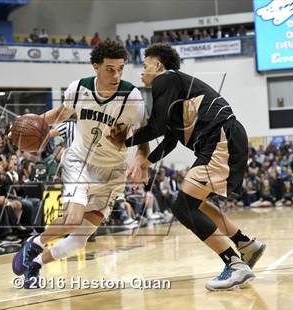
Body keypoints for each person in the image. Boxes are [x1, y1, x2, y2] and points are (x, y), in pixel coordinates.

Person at [114, 43, 266, 291]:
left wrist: (121, 141)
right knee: (197, 205)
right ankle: (245, 244)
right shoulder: (177, 92)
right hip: (223, 138)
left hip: (219, 138)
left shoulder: (165, 80)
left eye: (144, 65)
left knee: (182, 207)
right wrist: (146, 161)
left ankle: (235, 264)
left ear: (158, 66)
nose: (141, 72)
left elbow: (156, 126)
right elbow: (170, 139)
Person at [12, 41, 148, 288]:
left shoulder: (132, 97)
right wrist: (31, 126)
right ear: (95, 66)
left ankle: (36, 264)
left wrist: (141, 160)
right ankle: (35, 243)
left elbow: (143, 137)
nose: (116, 75)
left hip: (112, 172)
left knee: (78, 241)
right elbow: (61, 114)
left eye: (120, 68)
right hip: (80, 161)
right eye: (110, 69)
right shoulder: (79, 88)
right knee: (72, 219)